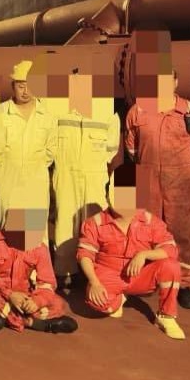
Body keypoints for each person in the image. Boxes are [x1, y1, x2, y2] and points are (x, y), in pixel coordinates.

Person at [124, 69, 190, 310]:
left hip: (181, 181)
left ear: (175, 82)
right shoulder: (138, 111)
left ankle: (186, 285)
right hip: (147, 177)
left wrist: (186, 169)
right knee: (144, 231)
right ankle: (144, 281)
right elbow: (131, 147)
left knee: (182, 233)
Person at [77, 179, 185, 340]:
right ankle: (119, 298)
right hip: (109, 274)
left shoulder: (150, 220)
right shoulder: (94, 222)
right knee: (98, 303)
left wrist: (144, 255)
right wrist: (94, 282)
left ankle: (166, 316)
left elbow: (170, 249)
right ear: (107, 197)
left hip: (140, 275)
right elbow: (84, 254)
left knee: (171, 266)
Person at [52, 63, 121, 289]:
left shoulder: (107, 112)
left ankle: (93, 272)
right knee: (65, 222)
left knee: (94, 224)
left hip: (94, 176)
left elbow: (111, 149)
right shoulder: (58, 110)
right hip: (65, 174)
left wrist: (94, 166)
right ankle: (64, 272)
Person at [0, 210, 78, 334]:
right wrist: (10, 295)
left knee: (59, 304)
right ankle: (33, 323)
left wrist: (37, 301)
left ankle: (7, 318)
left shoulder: (40, 247)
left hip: (26, 295)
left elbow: (48, 283)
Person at [0, 60, 57, 229]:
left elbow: (51, 150)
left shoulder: (47, 115)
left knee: (36, 229)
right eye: (21, 86)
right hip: (9, 178)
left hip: (36, 180)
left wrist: (34, 164)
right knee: (9, 228)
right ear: (13, 86)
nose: (26, 91)